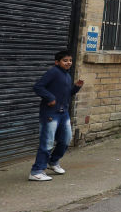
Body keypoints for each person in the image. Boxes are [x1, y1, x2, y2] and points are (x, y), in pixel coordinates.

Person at [29, 50, 84, 181]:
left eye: (70, 60)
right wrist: (50, 98)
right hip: (50, 113)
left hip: (63, 113)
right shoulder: (53, 72)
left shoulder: (67, 75)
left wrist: (75, 88)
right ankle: (36, 171)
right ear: (57, 62)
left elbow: (66, 94)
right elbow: (38, 87)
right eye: (65, 60)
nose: (68, 63)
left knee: (66, 139)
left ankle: (53, 162)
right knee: (47, 142)